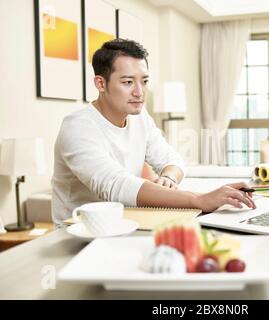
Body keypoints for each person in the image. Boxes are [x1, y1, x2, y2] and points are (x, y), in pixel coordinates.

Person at [51, 39, 255, 226]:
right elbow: (115, 185)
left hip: (125, 224)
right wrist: (199, 199)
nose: (139, 92)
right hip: (78, 234)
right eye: (128, 82)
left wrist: (169, 178)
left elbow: (172, 160)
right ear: (101, 83)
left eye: (145, 81)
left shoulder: (139, 117)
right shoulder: (77, 127)